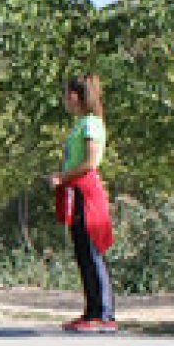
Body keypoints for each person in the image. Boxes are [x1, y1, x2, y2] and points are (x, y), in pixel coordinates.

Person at [51, 74, 117, 332]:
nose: (65, 99)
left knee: (92, 250)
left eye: (67, 94)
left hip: (86, 192)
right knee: (82, 251)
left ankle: (104, 314)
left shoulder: (91, 123)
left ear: (76, 96)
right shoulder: (80, 124)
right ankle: (91, 311)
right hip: (75, 190)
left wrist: (63, 177)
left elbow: (90, 162)